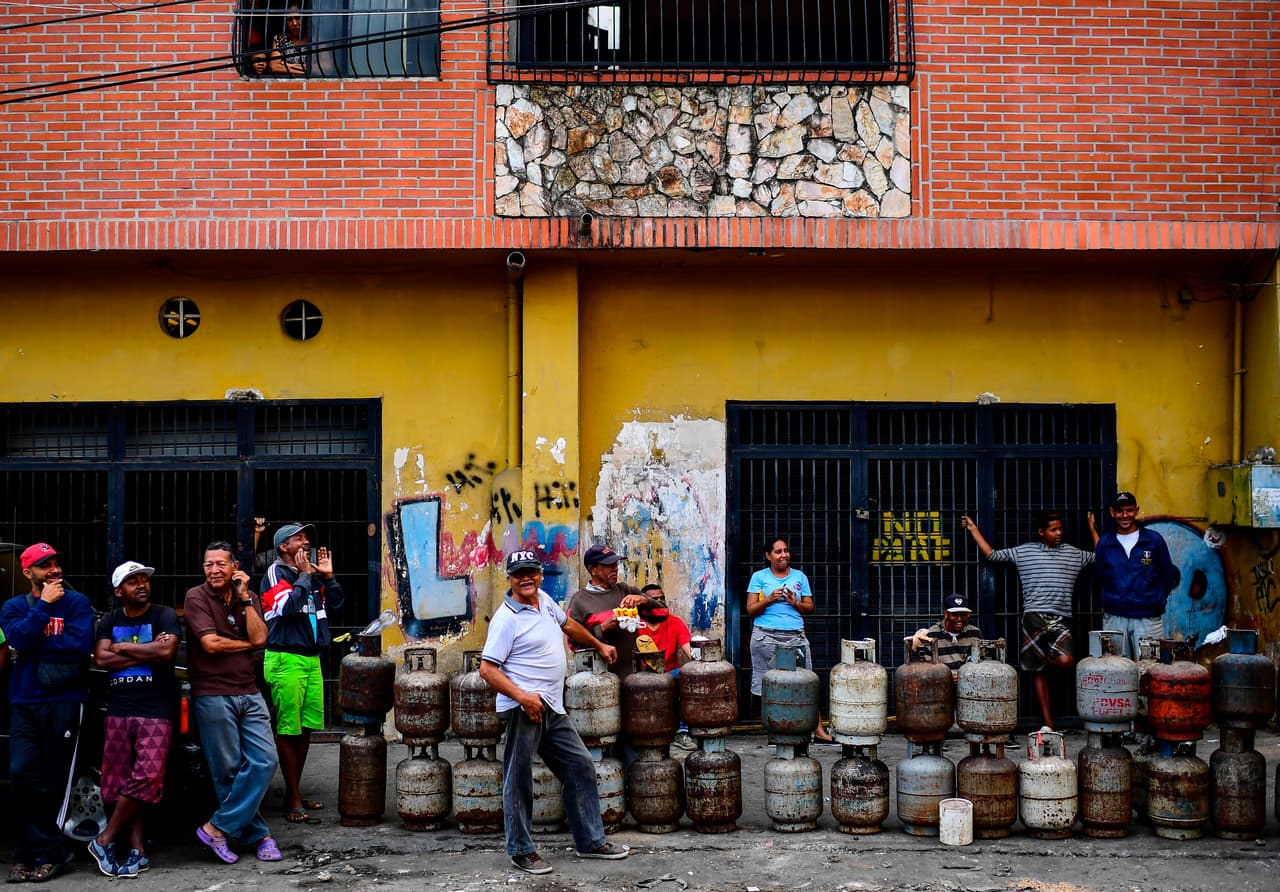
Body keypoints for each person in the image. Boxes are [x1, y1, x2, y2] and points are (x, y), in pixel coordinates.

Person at [478, 550, 631, 875]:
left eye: (531, 572)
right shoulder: (507, 619)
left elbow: (569, 625)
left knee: (580, 767)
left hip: (551, 706)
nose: (527, 578)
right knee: (518, 779)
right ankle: (521, 850)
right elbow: (487, 670)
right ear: (510, 579)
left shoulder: (544, 600)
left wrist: (598, 644)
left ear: (540, 575)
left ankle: (590, 841)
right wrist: (523, 697)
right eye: (519, 574)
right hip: (524, 708)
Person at [0, 543, 95, 883]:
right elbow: (19, 638)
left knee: (55, 780)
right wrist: (42, 607)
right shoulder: (13, 607)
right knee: (22, 773)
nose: (54, 571)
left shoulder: (78, 603)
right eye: (45, 566)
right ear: (28, 573)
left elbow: (79, 646)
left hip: (65, 701)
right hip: (24, 701)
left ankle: (36, 853)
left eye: (56, 564)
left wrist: (33, 642)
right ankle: (46, 850)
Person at [184, 541, 282, 866]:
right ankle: (259, 835)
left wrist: (244, 599)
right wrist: (245, 644)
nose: (214, 570)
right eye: (209, 564)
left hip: (249, 691)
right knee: (227, 770)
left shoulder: (248, 598)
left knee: (265, 760)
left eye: (221, 564)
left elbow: (262, 638)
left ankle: (216, 827)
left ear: (234, 566)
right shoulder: (196, 597)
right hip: (213, 693)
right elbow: (211, 644)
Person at [88, 561, 181, 878]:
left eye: (144, 579)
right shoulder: (109, 619)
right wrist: (147, 649)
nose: (141, 584)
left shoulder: (164, 615)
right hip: (119, 708)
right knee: (118, 782)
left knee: (147, 776)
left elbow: (167, 653)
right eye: (132, 581)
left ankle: (104, 839)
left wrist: (124, 647)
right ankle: (137, 851)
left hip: (156, 708)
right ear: (118, 590)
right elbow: (101, 658)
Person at [961, 511, 1095, 731]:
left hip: (1062, 617)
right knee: (1038, 672)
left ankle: (1047, 658)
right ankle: (1048, 723)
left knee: (1066, 661)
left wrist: (1092, 529)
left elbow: (1102, 556)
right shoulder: (1025, 552)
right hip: (1033, 617)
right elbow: (992, 555)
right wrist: (973, 528)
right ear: (1041, 532)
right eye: (1053, 530)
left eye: (1061, 528)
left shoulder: (1073, 554)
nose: (1059, 533)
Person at [261, 522, 343, 825]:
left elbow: (337, 606)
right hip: (286, 658)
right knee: (288, 728)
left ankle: (295, 789)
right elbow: (288, 607)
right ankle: (293, 796)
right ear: (284, 547)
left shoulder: (307, 576)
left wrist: (329, 577)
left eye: (307, 537)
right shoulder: (277, 574)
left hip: (311, 659)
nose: (306, 542)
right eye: (299, 539)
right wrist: (307, 576)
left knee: (306, 727)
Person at [746, 537, 834, 741]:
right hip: (765, 636)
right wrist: (769, 599)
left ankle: (818, 731)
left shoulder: (799, 577)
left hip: (795, 636)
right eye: (778, 552)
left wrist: (794, 602)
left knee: (807, 682)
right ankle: (776, 731)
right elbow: (750, 610)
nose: (783, 555)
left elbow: (809, 608)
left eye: (786, 550)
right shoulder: (759, 577)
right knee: (770, 685)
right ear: (768, 556)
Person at [1091, 491, 1180, 658]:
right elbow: (1101, 574)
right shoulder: (1105, 543)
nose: (1125, 515)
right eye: (1120, 511)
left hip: (1148, 619)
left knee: (1149, 669)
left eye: (1129, 510)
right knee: (1117, 672)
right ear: (1112, 512)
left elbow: (1167, 575)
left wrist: (1155, 599)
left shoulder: (1153, 540)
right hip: (1115, 618)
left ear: (1137, 510)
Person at [636, 583, 696, 750]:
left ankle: (682, 732)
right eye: (654, 599)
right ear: (643, 603)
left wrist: (700, 662)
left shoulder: (675, 622)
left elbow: (689, 650)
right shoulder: (634, 624)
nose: (660, 602)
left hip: (669, 674)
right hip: (640, 675)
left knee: (686, 675)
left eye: (662, 598)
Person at [908, 593, 984, 677]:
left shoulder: (975, 633)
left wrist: (962, 676)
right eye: (954, 615)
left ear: (968, 615)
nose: (959, 619)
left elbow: (981, 663)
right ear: (946, 614)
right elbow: (926, 667)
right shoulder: (931, 634)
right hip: (940, 683)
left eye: (963, 614)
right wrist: (947, 676)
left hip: (968, 683)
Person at [270, 4, 310, 76]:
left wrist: (288, 65)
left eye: (298, 18)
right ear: (285, 22)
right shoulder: (280, 39)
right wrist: (306, 71)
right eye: (290, 19)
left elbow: (326, 67)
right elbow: (274, 66)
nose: (294, 23)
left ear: (304, 18)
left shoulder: (314, 39)